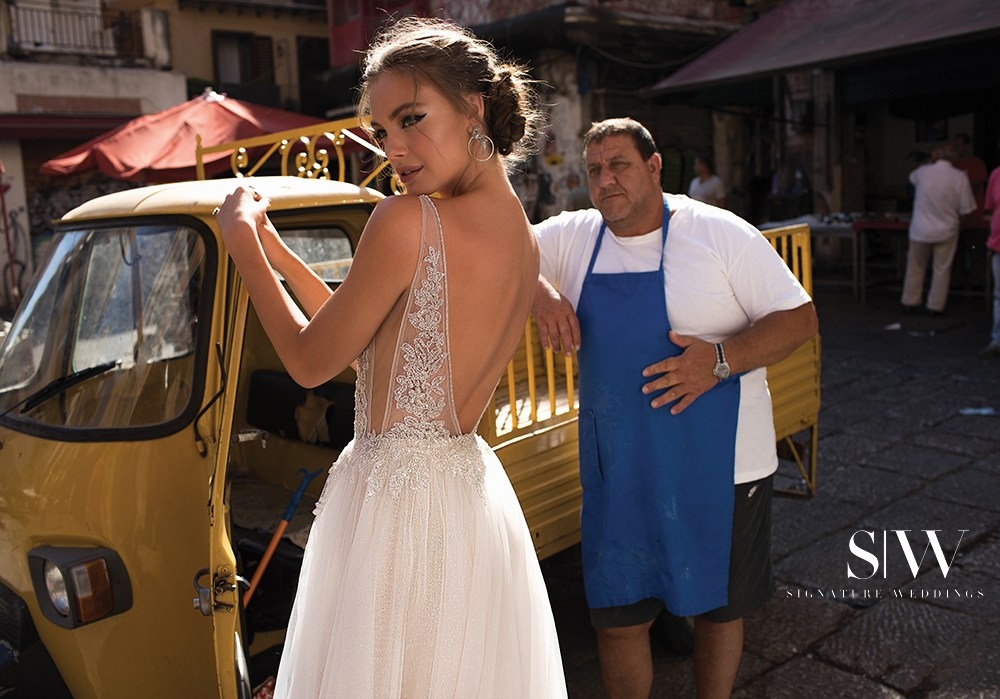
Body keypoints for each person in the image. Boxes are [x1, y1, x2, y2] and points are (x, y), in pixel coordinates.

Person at [215, 17, 567, 697]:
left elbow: (312, 363)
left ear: (473, 106)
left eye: (411, 118)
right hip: (464, 498)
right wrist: (281, 254)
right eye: (382, 131)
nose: (394, 149)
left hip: (395, 511)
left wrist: (240, 243)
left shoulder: (409, 221)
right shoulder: (524, 241)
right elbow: (378, 352)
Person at [531, 117, 818, 699]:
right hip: (621, 470)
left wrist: (720, 359)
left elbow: (800, 320)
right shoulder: (573, 237)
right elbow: (497, 242)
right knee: (617, 617)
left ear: (655, 167)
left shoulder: (719, 234)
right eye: (594, 170)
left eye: (620, 165)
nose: (605, 180)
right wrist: (538, 292)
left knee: (717, 610)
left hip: (725, 468)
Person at [901, 143, 976, 315]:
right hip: (947, 230)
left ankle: (910, 301)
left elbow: (911, 179)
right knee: (942, 269)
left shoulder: (922, 172)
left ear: (937, 155)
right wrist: (959, 227)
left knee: (915, 267)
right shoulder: (959, 177)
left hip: (920, 230)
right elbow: (966, 209)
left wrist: (930, 159)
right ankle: (935, 306)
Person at [951, 133, 988, 230]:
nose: (955, 148)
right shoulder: (952, 165)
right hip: (954, 218)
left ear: (967, 146)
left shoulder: (977, 163)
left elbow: (975, 187)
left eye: (958, 145)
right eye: (954, 145)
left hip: (973, 218)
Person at [982, 163, 1000, 358]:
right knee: (999, 296)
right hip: (998, 244)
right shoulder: (996, 174)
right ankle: (997, 340)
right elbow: (990, 208)